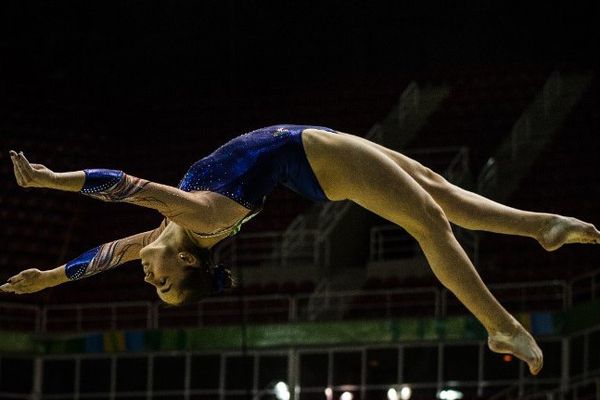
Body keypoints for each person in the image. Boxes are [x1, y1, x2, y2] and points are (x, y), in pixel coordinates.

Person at [2, 124, 599, 375]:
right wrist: (54, 182)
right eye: (160, 282)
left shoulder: (168, 235)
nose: (144, 273)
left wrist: (48, 281)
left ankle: (539, 227)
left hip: (307, 142)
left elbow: (103, 256)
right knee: (429, 221)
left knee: (439, 193)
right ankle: (499, 326)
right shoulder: (199, 220)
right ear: (186, 263)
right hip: (310, 156)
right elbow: (125, 185)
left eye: (150, 281)